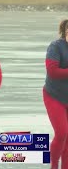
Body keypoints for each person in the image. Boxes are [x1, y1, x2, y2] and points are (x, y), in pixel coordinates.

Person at [43, 19, 68, 169]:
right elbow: (52, 71)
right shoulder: (56, 47)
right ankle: (54, 166)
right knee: (62, 133)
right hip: (54, 96)